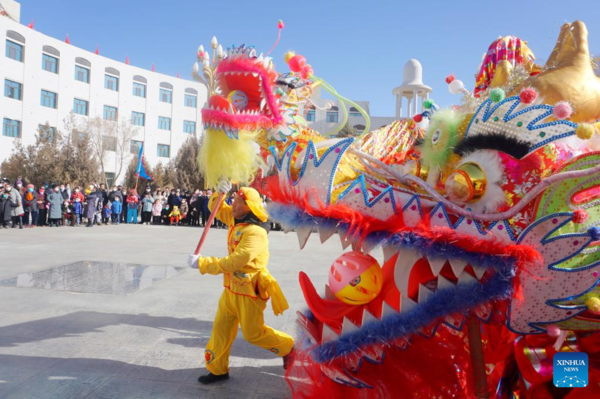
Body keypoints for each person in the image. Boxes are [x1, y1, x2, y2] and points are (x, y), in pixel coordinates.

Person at [188, 182, 294, 384]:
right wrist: (220, 192)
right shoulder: (236, 220)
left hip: (250, 291)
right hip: (230, 289)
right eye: (233, 200)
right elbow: (216, 208)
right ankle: (218, 369)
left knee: (253, 334)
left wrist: (203, 263)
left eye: (237, 202)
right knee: (221, 329)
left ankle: (288, 347)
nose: (233, 205)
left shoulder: (256, 233)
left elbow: (236, 261)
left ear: (250, 207)